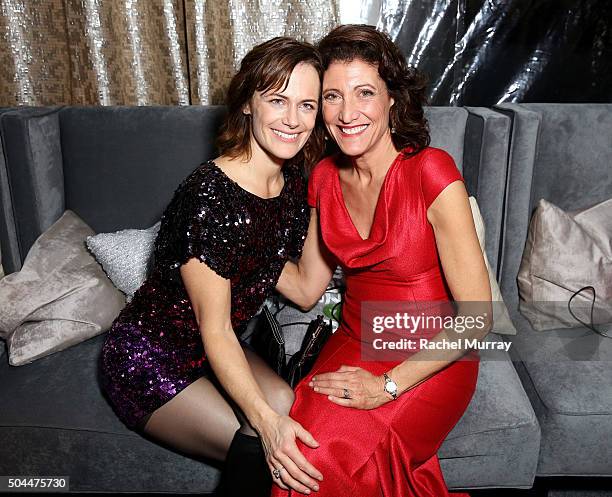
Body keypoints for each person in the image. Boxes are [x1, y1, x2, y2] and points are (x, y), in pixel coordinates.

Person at [99, 37, 326, 497]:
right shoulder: (209, 195)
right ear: (247, 103)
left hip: (212, 350)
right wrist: (265, 426)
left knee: (286, 400)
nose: (292, 120)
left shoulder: (291, 186)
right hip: (149, 359)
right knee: (267, 448)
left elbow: (305, 289)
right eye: (277, 100)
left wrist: (328, 189)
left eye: (307, 105)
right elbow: (216, 327)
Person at [272, 25, 492, 497]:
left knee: (325, 458)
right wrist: (239, 247)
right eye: (332, 96)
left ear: (392, 100)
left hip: (434, 355)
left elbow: (477, 319)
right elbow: (308, 287)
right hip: (355, 340)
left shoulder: (431, 170)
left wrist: (386, 387)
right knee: (294, 451)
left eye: (364, 93)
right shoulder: (325, 178)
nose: (348, 113)